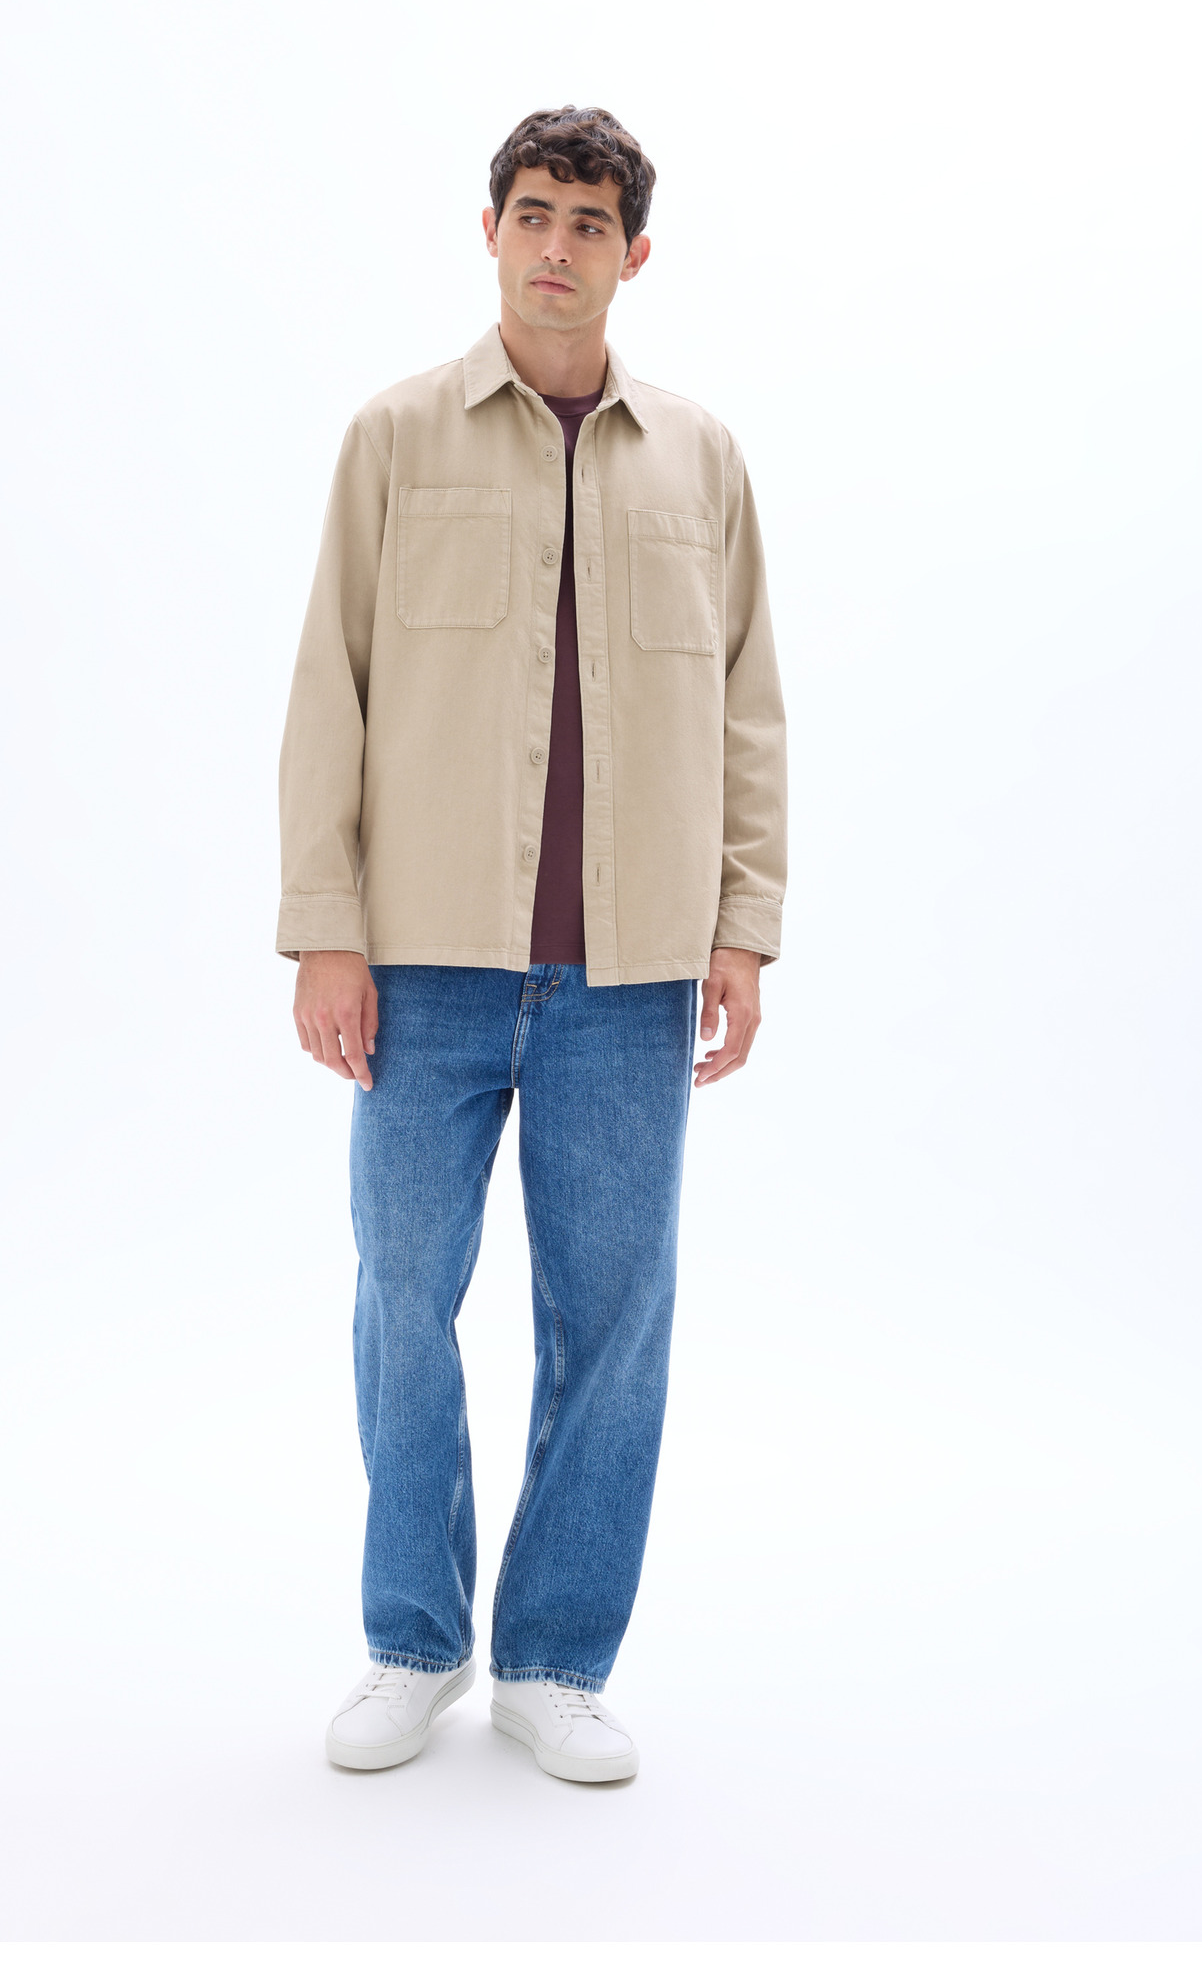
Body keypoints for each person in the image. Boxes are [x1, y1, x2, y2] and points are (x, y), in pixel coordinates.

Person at [276, 105, 787, 1784]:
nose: (556, 246)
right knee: (403, 1300)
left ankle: (557, 1660)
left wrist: (745, 927)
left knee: (615, 1322)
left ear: (635, 253)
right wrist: (325, 930)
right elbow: (330, 691)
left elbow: (749, 707)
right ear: (488, 231)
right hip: (424, 964)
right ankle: (414, 1640)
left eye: (588, 222)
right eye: (532, 214)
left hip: (632, 978)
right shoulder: (396, 440)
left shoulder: (700, 458)